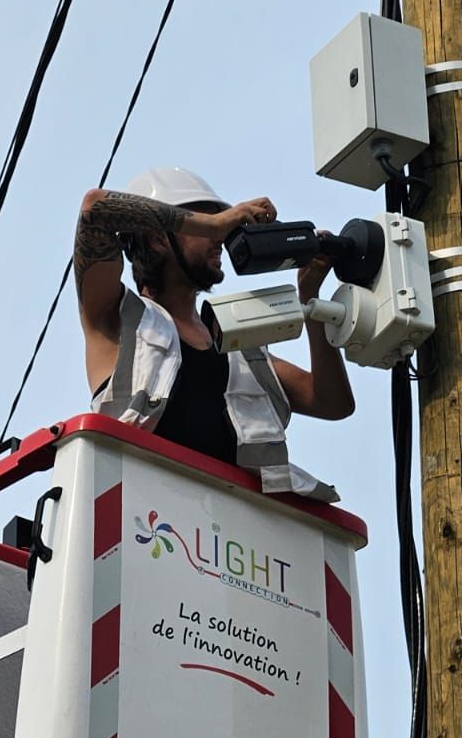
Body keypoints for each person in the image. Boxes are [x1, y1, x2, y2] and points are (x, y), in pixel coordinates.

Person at [73, 166, 354, 499]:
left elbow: (331, 402)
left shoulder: (236, 344)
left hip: (222, 538)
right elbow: (94, 209)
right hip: (143, 525)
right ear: (158, 238)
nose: (221, 237)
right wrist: (216, 223)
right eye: (205, 223)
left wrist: (310, 297)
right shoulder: (116, 319)